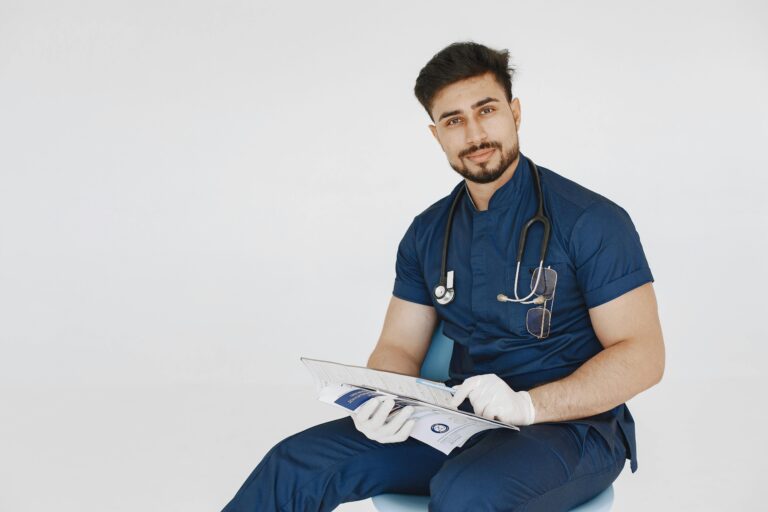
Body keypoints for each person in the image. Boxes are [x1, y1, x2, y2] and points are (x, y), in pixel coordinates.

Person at [222, 41, 665, 512]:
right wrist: (383, 401)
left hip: (571, 430)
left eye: (486, 110)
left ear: (515, 113)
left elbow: (643, 356)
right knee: (297, 464)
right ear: (436, 135)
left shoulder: (590, 221)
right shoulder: (428, 232)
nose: (475, 133)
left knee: (466, 493)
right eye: (454, 121)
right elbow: (399, 346)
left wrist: (528, 406)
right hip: (461, 421)